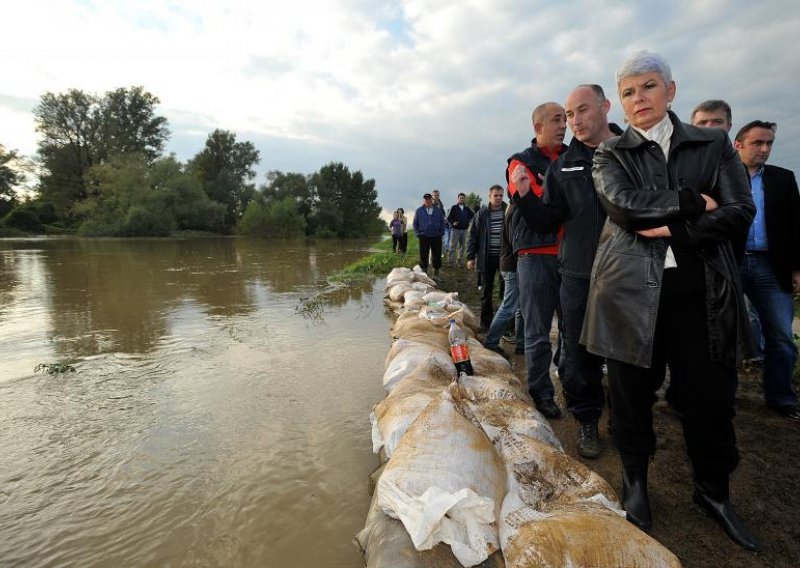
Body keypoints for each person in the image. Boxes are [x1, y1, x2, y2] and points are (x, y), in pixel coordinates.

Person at [581, 50, 759, 551]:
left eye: (649, 87)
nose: (640, 99)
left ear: (671, 91)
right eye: (630, 92)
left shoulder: (714, 143)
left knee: (710, 396)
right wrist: (692, 202)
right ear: (621, 100)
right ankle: (635, 482)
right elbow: (622, 206)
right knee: (631, 395)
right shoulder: (610, 153)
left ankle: (714, 491)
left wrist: (676, 229)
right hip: (628, 292)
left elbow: (740, 209)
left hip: (701, 290)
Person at [512, 84, 623, 458]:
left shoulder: (634, 152)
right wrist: (526, 196)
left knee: (627, 350)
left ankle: (627, 419)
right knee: (578, 353)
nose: (573, 122)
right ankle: (588, 418)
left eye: (579, 112)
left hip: (627, 271)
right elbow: (546, 219)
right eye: (566, 115)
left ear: (606, 107)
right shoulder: (564, 165)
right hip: (577, 272)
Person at [733, 120, 800, 420]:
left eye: (769, 143)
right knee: (724, 332)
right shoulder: (723, 176)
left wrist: (797, 269)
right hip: (731, 262)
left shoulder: (783, 179)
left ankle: (780, 397)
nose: (764, 149)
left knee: (782, 336)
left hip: (770, 265)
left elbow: (796, 226)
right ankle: (724, 396)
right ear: (739, 144)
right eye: (758, 143)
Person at [507, 102, 568, 419]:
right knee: (537, 331)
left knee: (574, 330)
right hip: (535, 256)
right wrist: (550, 196)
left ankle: (571, 383)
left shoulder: (574, 157)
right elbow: (538, 213)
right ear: (538, 127)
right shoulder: (520, 162)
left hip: (571, 256)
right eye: (557, 119)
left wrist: (546, 193)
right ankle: (542, 393)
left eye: (566, 119)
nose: (564, 125)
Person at [483, 189, 525, 356]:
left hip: (514, 264)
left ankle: (521, 343)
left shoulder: (511, 208)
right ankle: (491, 341)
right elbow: (516, 241)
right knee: (509, 306)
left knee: (520, 307)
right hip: (511, 265)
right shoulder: (516, 210)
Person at [467, 185, 507, 330]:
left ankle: (505, 324)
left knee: (506, 291)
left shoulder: (507, 211)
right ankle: (485, 323)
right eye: (496, 195)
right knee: (486, 291)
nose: (498, 198)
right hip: (486, 257)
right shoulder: (482, 213)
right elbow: (473, 236)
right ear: (489, 196)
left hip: (505, 258)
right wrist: (470, 257)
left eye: (501, 195)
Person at [412, 193, 445, 275]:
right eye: (426, 199)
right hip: (424, 236)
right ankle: (424, 272)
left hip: (436, 236)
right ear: (423, 200)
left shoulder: (438, 210)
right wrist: (417, 233)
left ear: (431, 200)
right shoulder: (419, 210)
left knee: (437, 255)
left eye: (429, 199)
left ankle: (436, 272)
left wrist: (441, 232)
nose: (427, 201)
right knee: (423, 254)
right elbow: (415, 224)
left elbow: (442, 222)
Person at [447, 192, 475, 264]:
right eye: (460, 198)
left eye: (463, 198)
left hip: (464, 230)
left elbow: (473, 215)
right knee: (453, 246)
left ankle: (460, 261)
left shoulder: (467, 208)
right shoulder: (454, 207)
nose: (462, 199)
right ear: (458, 199)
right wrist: (453, 222)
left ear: (464, 199)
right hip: (455, 230)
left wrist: (468, 221)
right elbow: (449, 218)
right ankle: (451, 261)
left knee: (462, 247)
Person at [432, 189, 450, 256]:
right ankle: (431, 258)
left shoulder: (440, 203)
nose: (436, 196)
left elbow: (442, 212)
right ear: (432, 196)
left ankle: (440, 253)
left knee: (441, 240)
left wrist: (445, 217)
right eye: (435, 195)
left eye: (438, 195)